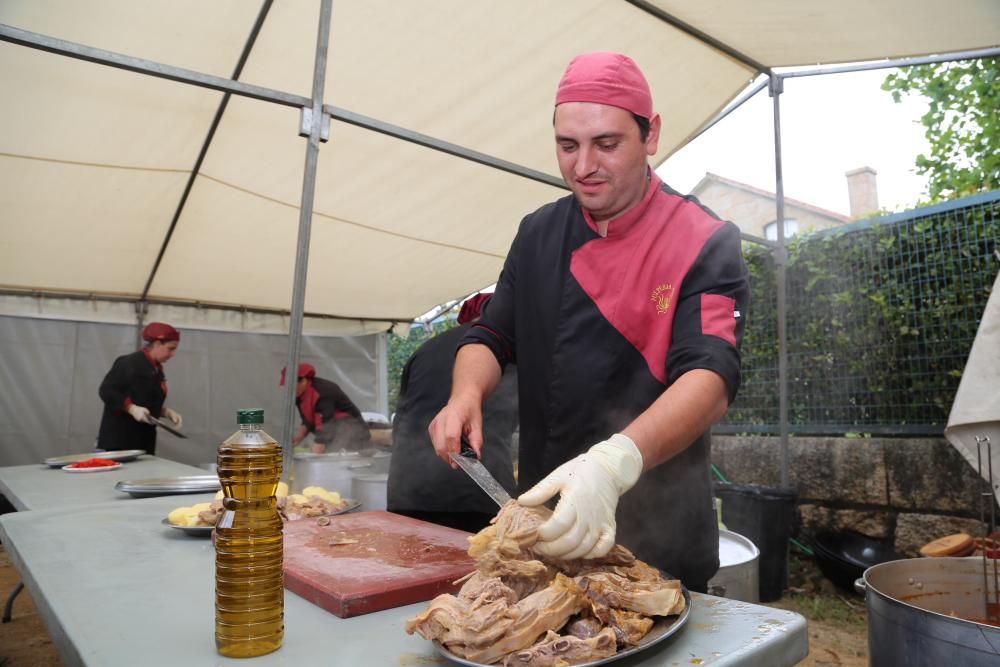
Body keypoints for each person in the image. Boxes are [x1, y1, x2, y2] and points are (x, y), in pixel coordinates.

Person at [428, 52, 749, 592]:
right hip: (545, 527)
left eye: (606, 144)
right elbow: (489, 333)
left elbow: (710, 378)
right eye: (567, 146)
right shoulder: (537, 233)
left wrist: (613, 462)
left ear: (651, 136)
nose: (583, 167)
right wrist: (464, 395)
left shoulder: (704, 239)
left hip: (661, 539)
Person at [387, 294, 519, 533]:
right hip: (479, 498)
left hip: (408, 491)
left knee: (413, 565)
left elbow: (402, 421)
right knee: (477, 567)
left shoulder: (425, 348)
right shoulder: (505, 352)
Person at [97, 322, 184, 455]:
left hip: (143, 442)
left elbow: (142, 400)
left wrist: (164, 412)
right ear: (157, 344)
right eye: (170, 348)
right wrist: (130, 408)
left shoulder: (156, 369)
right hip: (121, 442)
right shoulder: (129, 363)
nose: (173, 354)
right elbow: (107, 391)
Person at [281, 362, 370, 454]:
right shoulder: (299, 395)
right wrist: (300, 436)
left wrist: (319, 444)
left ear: (304, 380)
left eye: (292, 385)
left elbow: (326, 422)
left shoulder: (324, 391)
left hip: (352, 433)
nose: (290, 390)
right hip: (333, 436)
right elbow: (307, 419)